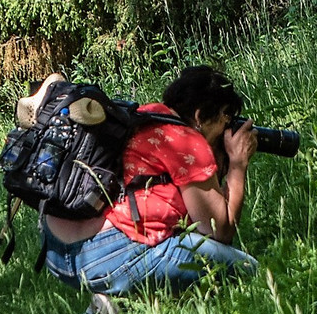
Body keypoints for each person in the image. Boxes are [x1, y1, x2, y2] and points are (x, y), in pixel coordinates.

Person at [40, 65, 260, 299]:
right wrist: (237, 164)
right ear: (199, 116)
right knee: (247, 269)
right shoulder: (187, 141)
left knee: (167, 241)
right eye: (225, 118)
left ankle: (109, 307)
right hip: (107, 254)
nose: (228, 129)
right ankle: (115, 287)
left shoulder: (141, 117)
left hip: (57, 253)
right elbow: (220, 231)